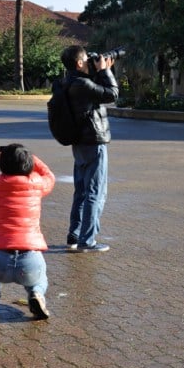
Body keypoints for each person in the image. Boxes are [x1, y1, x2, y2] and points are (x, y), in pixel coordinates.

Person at [0, 144, 55, 319]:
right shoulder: (36, 183)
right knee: (39, 278)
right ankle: (36, 294)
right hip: (29, 264)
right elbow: (49, 176)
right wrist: (32, 158)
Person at [60, 45, 119, 253]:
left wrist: (97, 72)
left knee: (82, 191)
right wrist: (105, 71)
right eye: (86, 59)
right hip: (93, 142)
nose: (89, 61)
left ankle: (74, 235)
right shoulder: (82, 84)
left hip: (80, 143)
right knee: (95, 191)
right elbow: (112, 94)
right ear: (79, 63)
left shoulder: (68, 81)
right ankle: (88, 240)